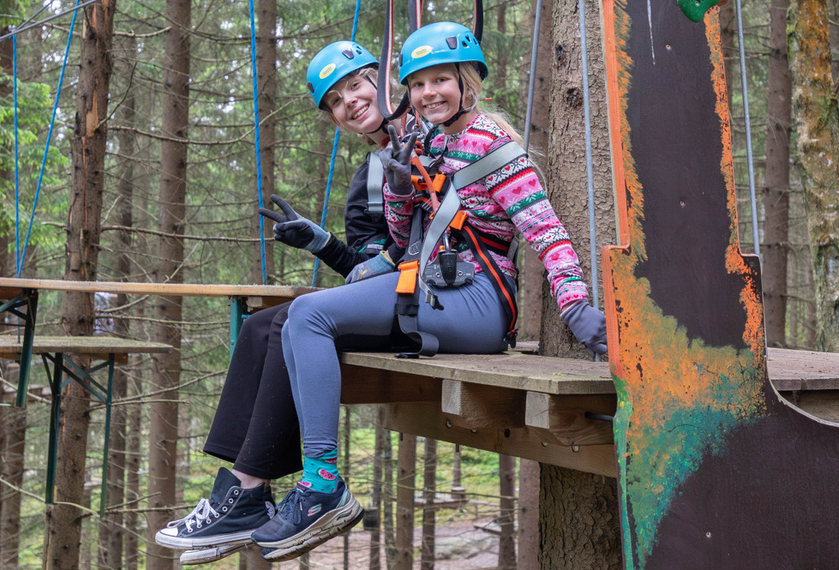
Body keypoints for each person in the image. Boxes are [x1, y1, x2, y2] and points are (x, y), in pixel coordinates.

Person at [250, 21, 607, 562]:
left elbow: (545, 231)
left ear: (468, 82)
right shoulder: (429, 142)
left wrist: (576, 306)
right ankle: (306, 482)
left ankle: (320, 485)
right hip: (439, 291)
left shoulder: (493, 145)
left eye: (440, 80)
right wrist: (397, 190)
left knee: (307, 317)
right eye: (417, 85)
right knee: (300, 320)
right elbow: (400, 241)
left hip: (481, 299)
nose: (427, 94)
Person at [153, 40, 406, 563]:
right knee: (259, 326)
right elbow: (365, 266)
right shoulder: (371, 171)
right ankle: (243, 492)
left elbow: (420, 243)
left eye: (356, 85)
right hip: (393, 296)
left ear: (385, 79)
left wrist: (378, 262)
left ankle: (250, 491)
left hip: (431, 301)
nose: (350, 102)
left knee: (292, 320)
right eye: (336, 101)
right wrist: (322, 243)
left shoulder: (424, 141)